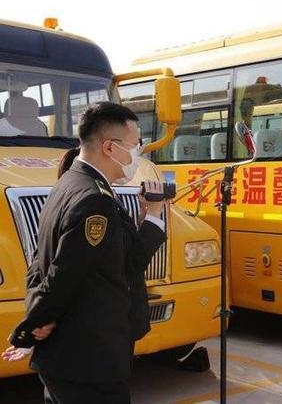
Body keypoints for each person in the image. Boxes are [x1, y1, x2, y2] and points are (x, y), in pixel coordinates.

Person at [2, 102, 168, 403]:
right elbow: (65, 273)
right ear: (109, 147)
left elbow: (41, 263)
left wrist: (39, 317)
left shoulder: (69, 182)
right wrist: (31, 327)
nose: (138, 154)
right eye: (136, 145)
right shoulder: (95, 199)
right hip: (90, 362)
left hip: (72, 358)